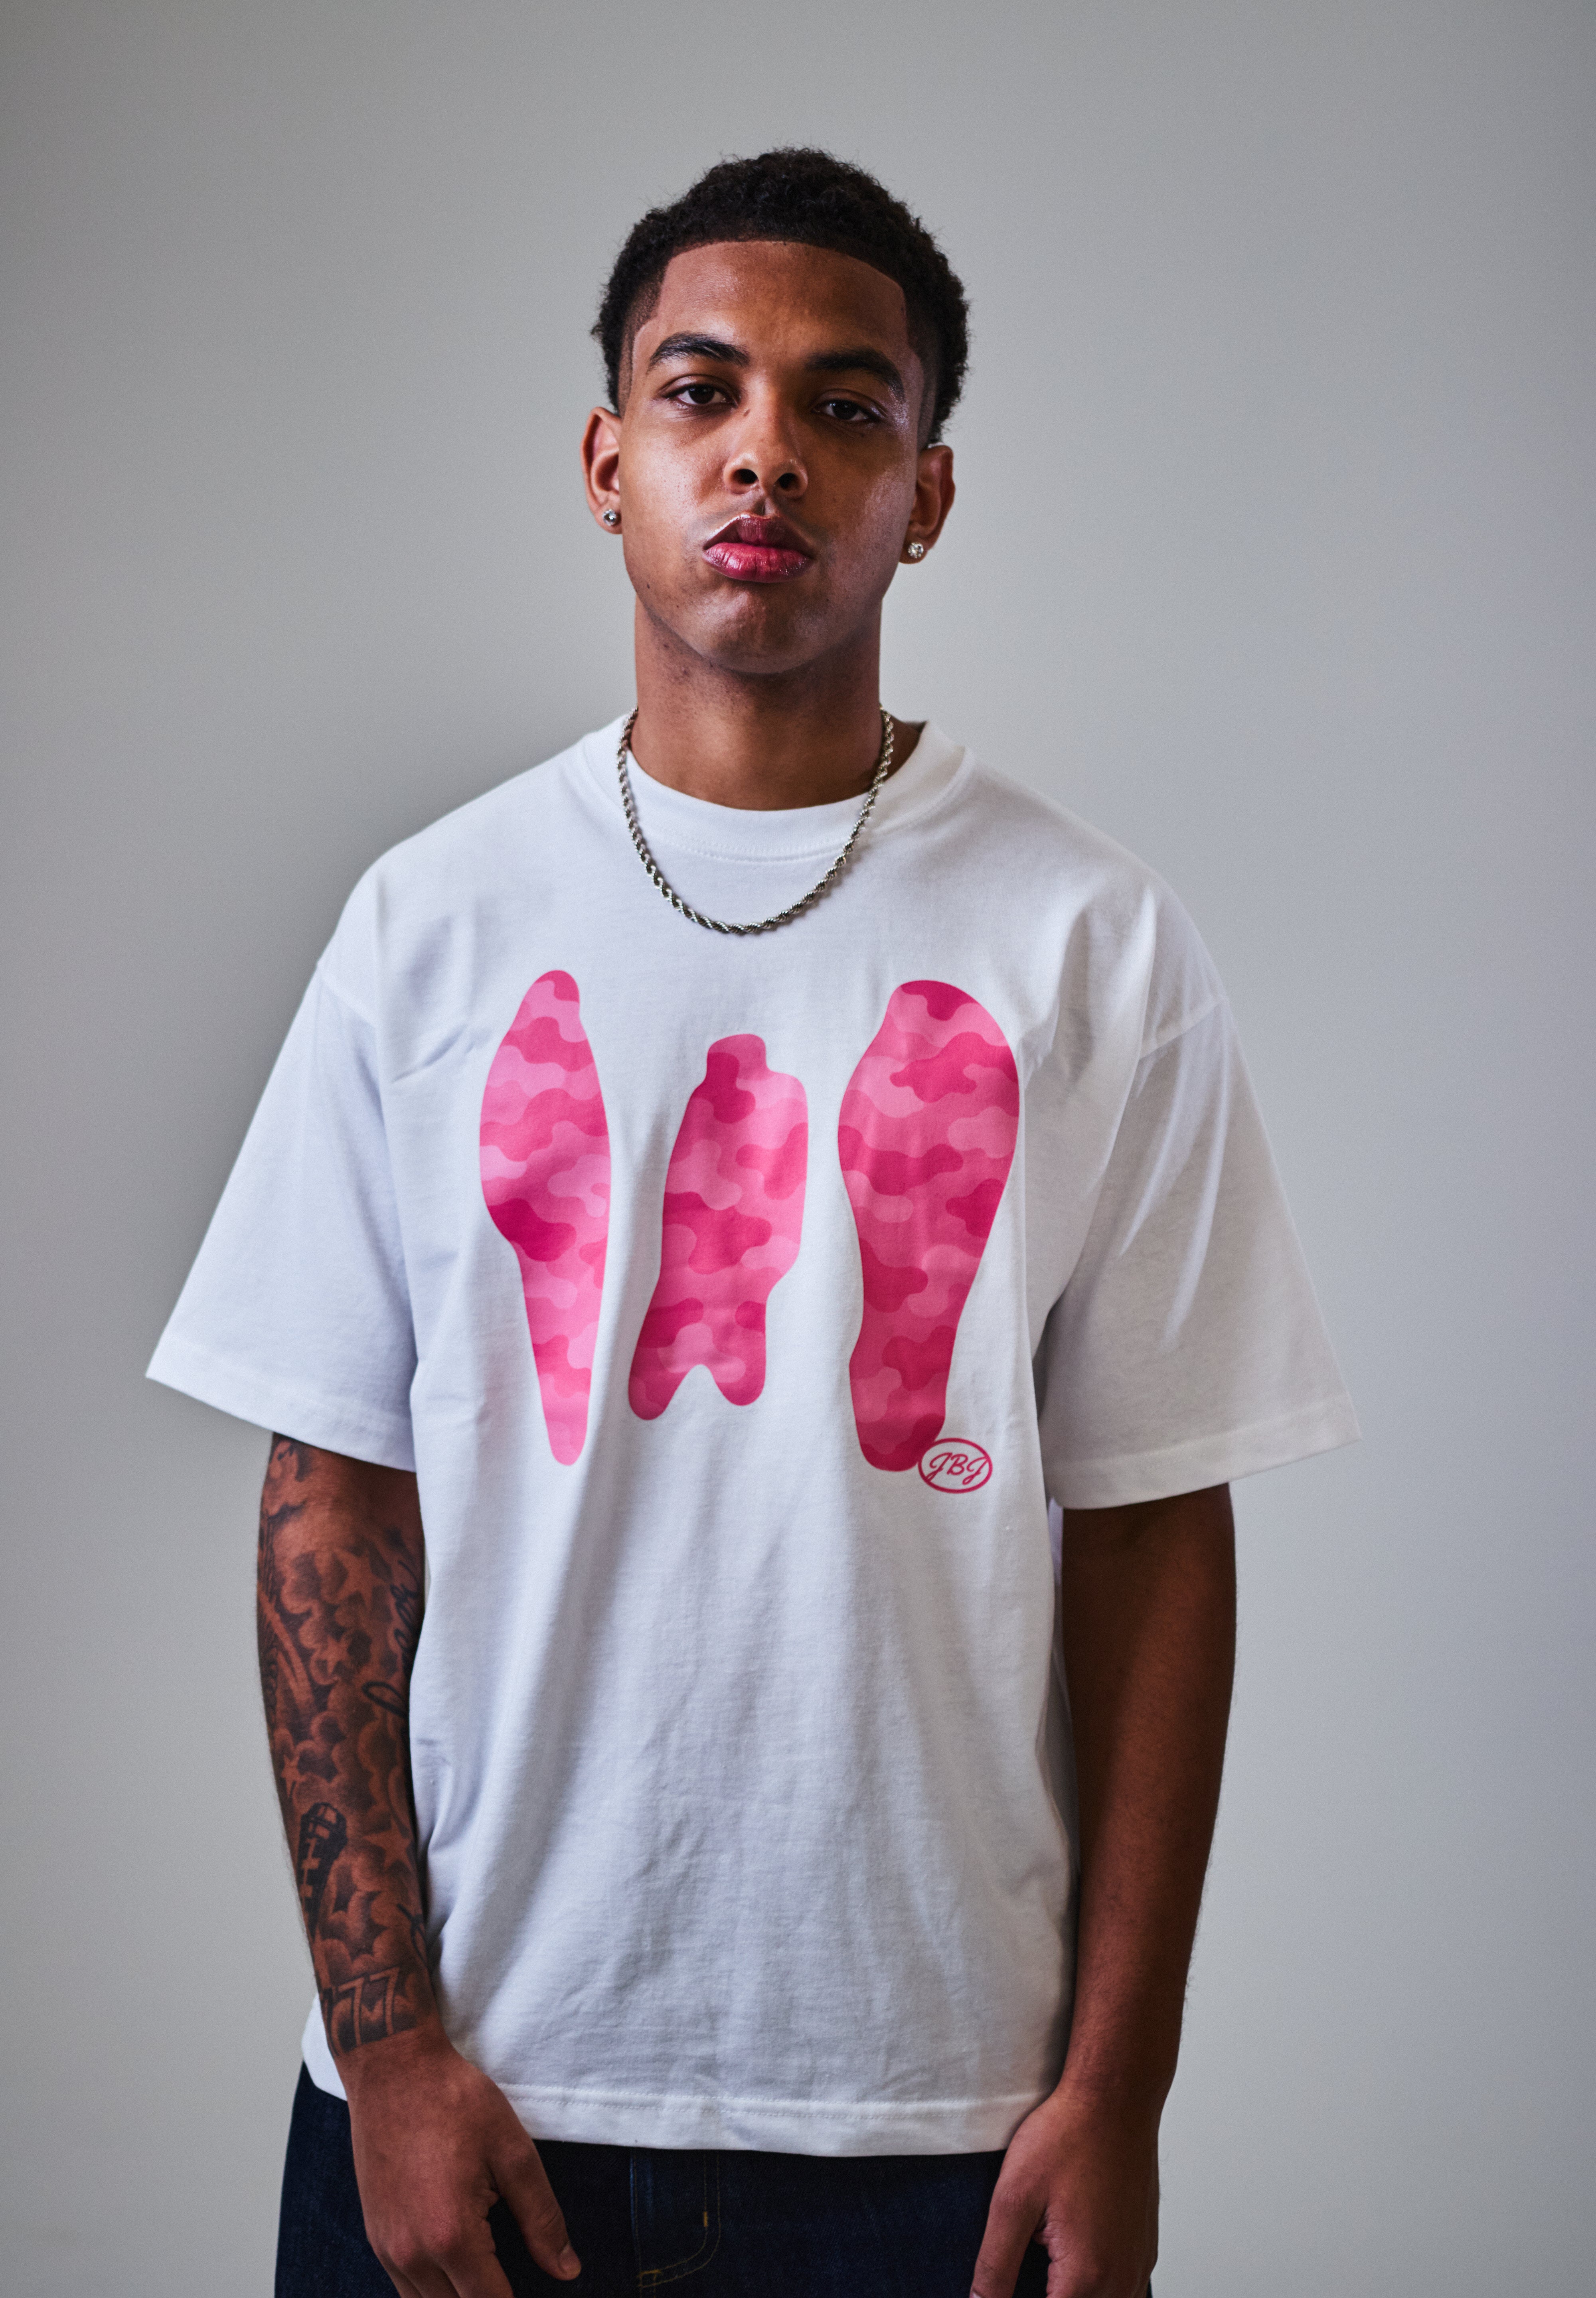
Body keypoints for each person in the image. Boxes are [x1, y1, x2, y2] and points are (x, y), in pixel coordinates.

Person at [149, 147, 1357, 2298]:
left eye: (846, 405)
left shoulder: (1089, 943)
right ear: (607, 460)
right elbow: (331, 1497)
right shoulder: (429, 929)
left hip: (937, 2130)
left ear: (929, 492)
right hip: (476, 2098)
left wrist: (1121, 2086)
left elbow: (1155, 1532)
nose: (766, 453)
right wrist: (388, 2047)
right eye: (700, 391)